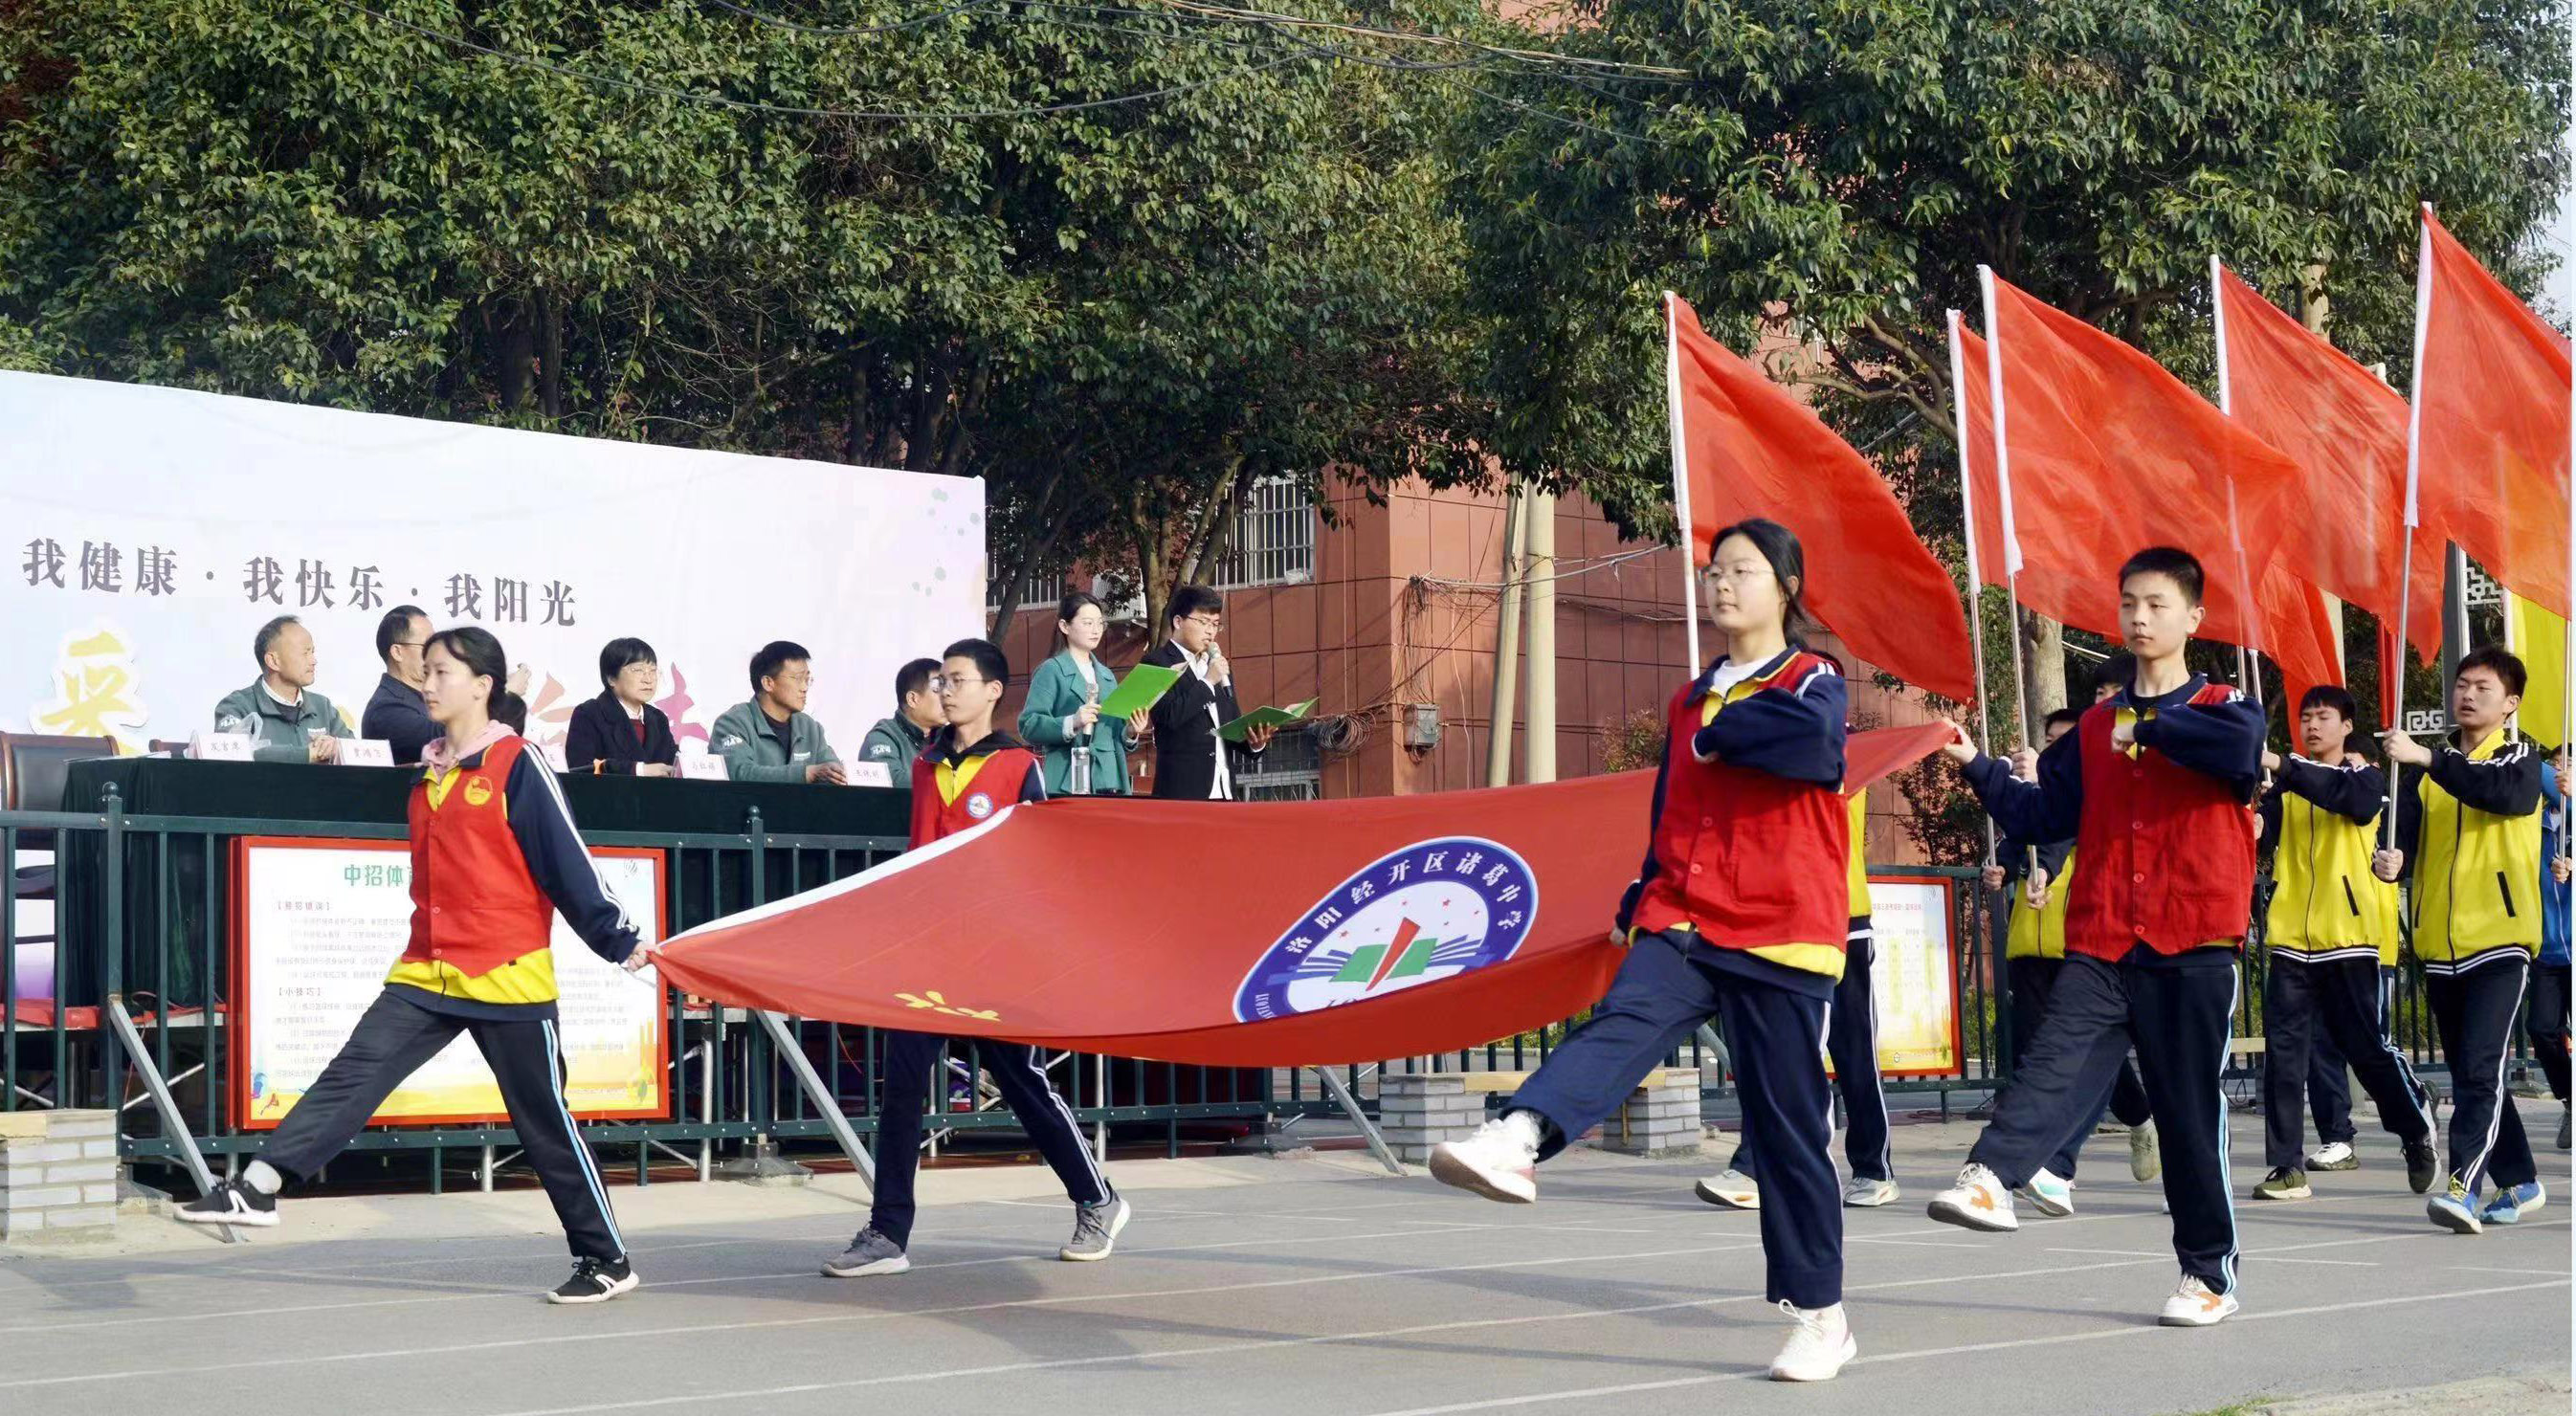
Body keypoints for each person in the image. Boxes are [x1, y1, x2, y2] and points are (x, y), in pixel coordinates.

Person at [1430, 518, 1860, 1383]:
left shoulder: (1816, 681)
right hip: (1687, 911)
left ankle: (1819, 1315)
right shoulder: (1689, 696)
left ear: (1786, 587)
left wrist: (1722, 731)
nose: (1723, 585)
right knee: (1624, 1021)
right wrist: (1641, 893)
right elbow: (1673, 801)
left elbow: (1815, 755)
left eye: (1742, 571)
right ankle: (1515, 1138)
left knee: (1786, 1135)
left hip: (1779, 929)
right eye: (1714, 571)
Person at [177, 627, 648, 1304]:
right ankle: (259, 1186)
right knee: (353, 1073)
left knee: (545, 1123)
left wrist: (616, 937)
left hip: (507, 974)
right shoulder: (428, 773)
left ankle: (605, 1259)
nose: (427, 685)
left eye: (442, 673)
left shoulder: (517, 762)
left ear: (483, 687)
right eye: (425, 672)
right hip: (427, 969)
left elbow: (566, 862)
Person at [1927, 546, 2261, 1329]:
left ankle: (2207, 1274)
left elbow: (2241, 756)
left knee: (2186, 1114)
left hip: (2194, 942)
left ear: (2193, 618)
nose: (2140, 618)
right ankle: (1990, 1176)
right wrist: (1976, 763)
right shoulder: (2092, 729)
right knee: (2053, 1060)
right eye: (2129, 605)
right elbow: (2045, 815)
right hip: (2106, 934)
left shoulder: (2225, 704)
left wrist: (2155, 727)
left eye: (2156, 604)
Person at [823, 637, 1127, 1278]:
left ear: (993, 691)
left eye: (957, 679)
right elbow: (918, 853)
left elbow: (1043, 863)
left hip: (996, 956)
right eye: (941, 681)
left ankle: (1097, 1198)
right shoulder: (925, 764)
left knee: (1023, 1086)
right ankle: (887, 1233)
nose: (947, 690)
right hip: (931, 954)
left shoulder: (1018, 765)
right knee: (902, 1087)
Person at [2377, 647, 2547, 1231]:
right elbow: (2410, 841)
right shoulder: (2431, 773)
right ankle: (2521, 1180)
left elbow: (2505, 796)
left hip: (2499, 940)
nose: (2468, 694)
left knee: (2477, 1069)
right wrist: (2395, 859)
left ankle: (2464, 1186)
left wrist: (2426, 757)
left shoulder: (2521, 758)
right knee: (2483, 1071)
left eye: (2482, 687)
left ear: (2511, 703)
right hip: (2438, 945)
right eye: (2462, 685)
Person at [2250, 686, 2438, 1202]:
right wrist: (2257, 823)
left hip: (2349, 938)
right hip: (2290, 937)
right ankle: (2286, 1166)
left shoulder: (2367, 778)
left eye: (2323, 717)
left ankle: (2414, 1129)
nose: (2312, 726)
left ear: (2346, 725)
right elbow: (2262, 845)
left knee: (2365, 1050)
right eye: (2305, 718)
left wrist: (2282, 766)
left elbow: (2350, 803)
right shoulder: (2283, 787)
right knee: (2286, 1055)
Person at [1974, 706, 2162, 1211]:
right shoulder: (2047, 794)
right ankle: (2134, 1118)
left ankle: (2058, 1162)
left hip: (2082, 940)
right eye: (2054, 743)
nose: (2061, 755)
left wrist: (2047, 865)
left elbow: (2064, 838)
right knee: (2050, 1056)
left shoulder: (2102, 790)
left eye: (2067, 745)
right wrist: (2004, 868)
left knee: (2085, 1056)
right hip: (2030, 942)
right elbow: (2022, 840)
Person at [1694, 782, 1898, 1211]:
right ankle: (1754, 1167)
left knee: (1854, 1051)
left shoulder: (1841, 747)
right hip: (1785, 923)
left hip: (1842, 922)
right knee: (1780, 1052)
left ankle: (1873, 1170)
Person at [1142, 585, 1273, 800]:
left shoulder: (1217, 667)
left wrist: (1254, 744)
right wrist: (1208, 681)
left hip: (1224, 790)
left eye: (1215, 624)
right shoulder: (1157, 663)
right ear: (1178, 621)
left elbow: (1230, 726)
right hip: (1182, 793)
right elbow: (1168, 717)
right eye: (1203, 622)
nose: (1210, 631)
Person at [1022, 592, 1152, 796]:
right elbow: (1029, 725)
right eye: (1087, 623)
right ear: (1065, 626)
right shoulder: (1052, 670)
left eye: (1100, 623)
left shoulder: (1106, 675)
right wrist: (1071, 721)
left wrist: (1131, 732)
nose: (1096, 630)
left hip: (1109, 777)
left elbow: (1116, 734)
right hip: (1067, 776)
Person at [213, 615, 352, 763]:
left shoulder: (322, 706)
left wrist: (337, 747)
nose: (313, 661)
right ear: (273, 661)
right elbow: (232, 754)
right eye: (305, 653)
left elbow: (355, 753)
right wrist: (308, 754)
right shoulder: (236, 706)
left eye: (312, 652)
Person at [711, 640, 843, 784]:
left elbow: (834, 773)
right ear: (768, 683)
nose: (805, 687)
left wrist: (837, 774)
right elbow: (739, 772)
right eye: (798, 679)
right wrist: (806, 774)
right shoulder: (732, 723)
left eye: (807, 679)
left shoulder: (810, 728)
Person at [565, 638, 679, 777]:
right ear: (611, 678)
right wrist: (638, 770)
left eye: (653, 671)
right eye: (638, 670)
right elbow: (582, 768)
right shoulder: (590, 713)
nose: (648, 679)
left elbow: (673, 767)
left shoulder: (658, 719)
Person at [2535, 747, 2572, 1151]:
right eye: (2556, 762)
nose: (2561, 771)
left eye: (2570, 764)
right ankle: (2569, 1097)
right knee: (2542, 1029)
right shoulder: (2535, 822)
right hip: (2545, 947)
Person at [361, 604, 439, 764]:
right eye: (428, 645)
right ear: (397, 652)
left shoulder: (432, 695)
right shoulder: (385, 709)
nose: (437, 653)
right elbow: (445, 738)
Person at [856, 658, 945, 790]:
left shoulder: (952, 736)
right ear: (913, 699)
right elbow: (890, 779)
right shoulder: (883, 736)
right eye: (938, 690)